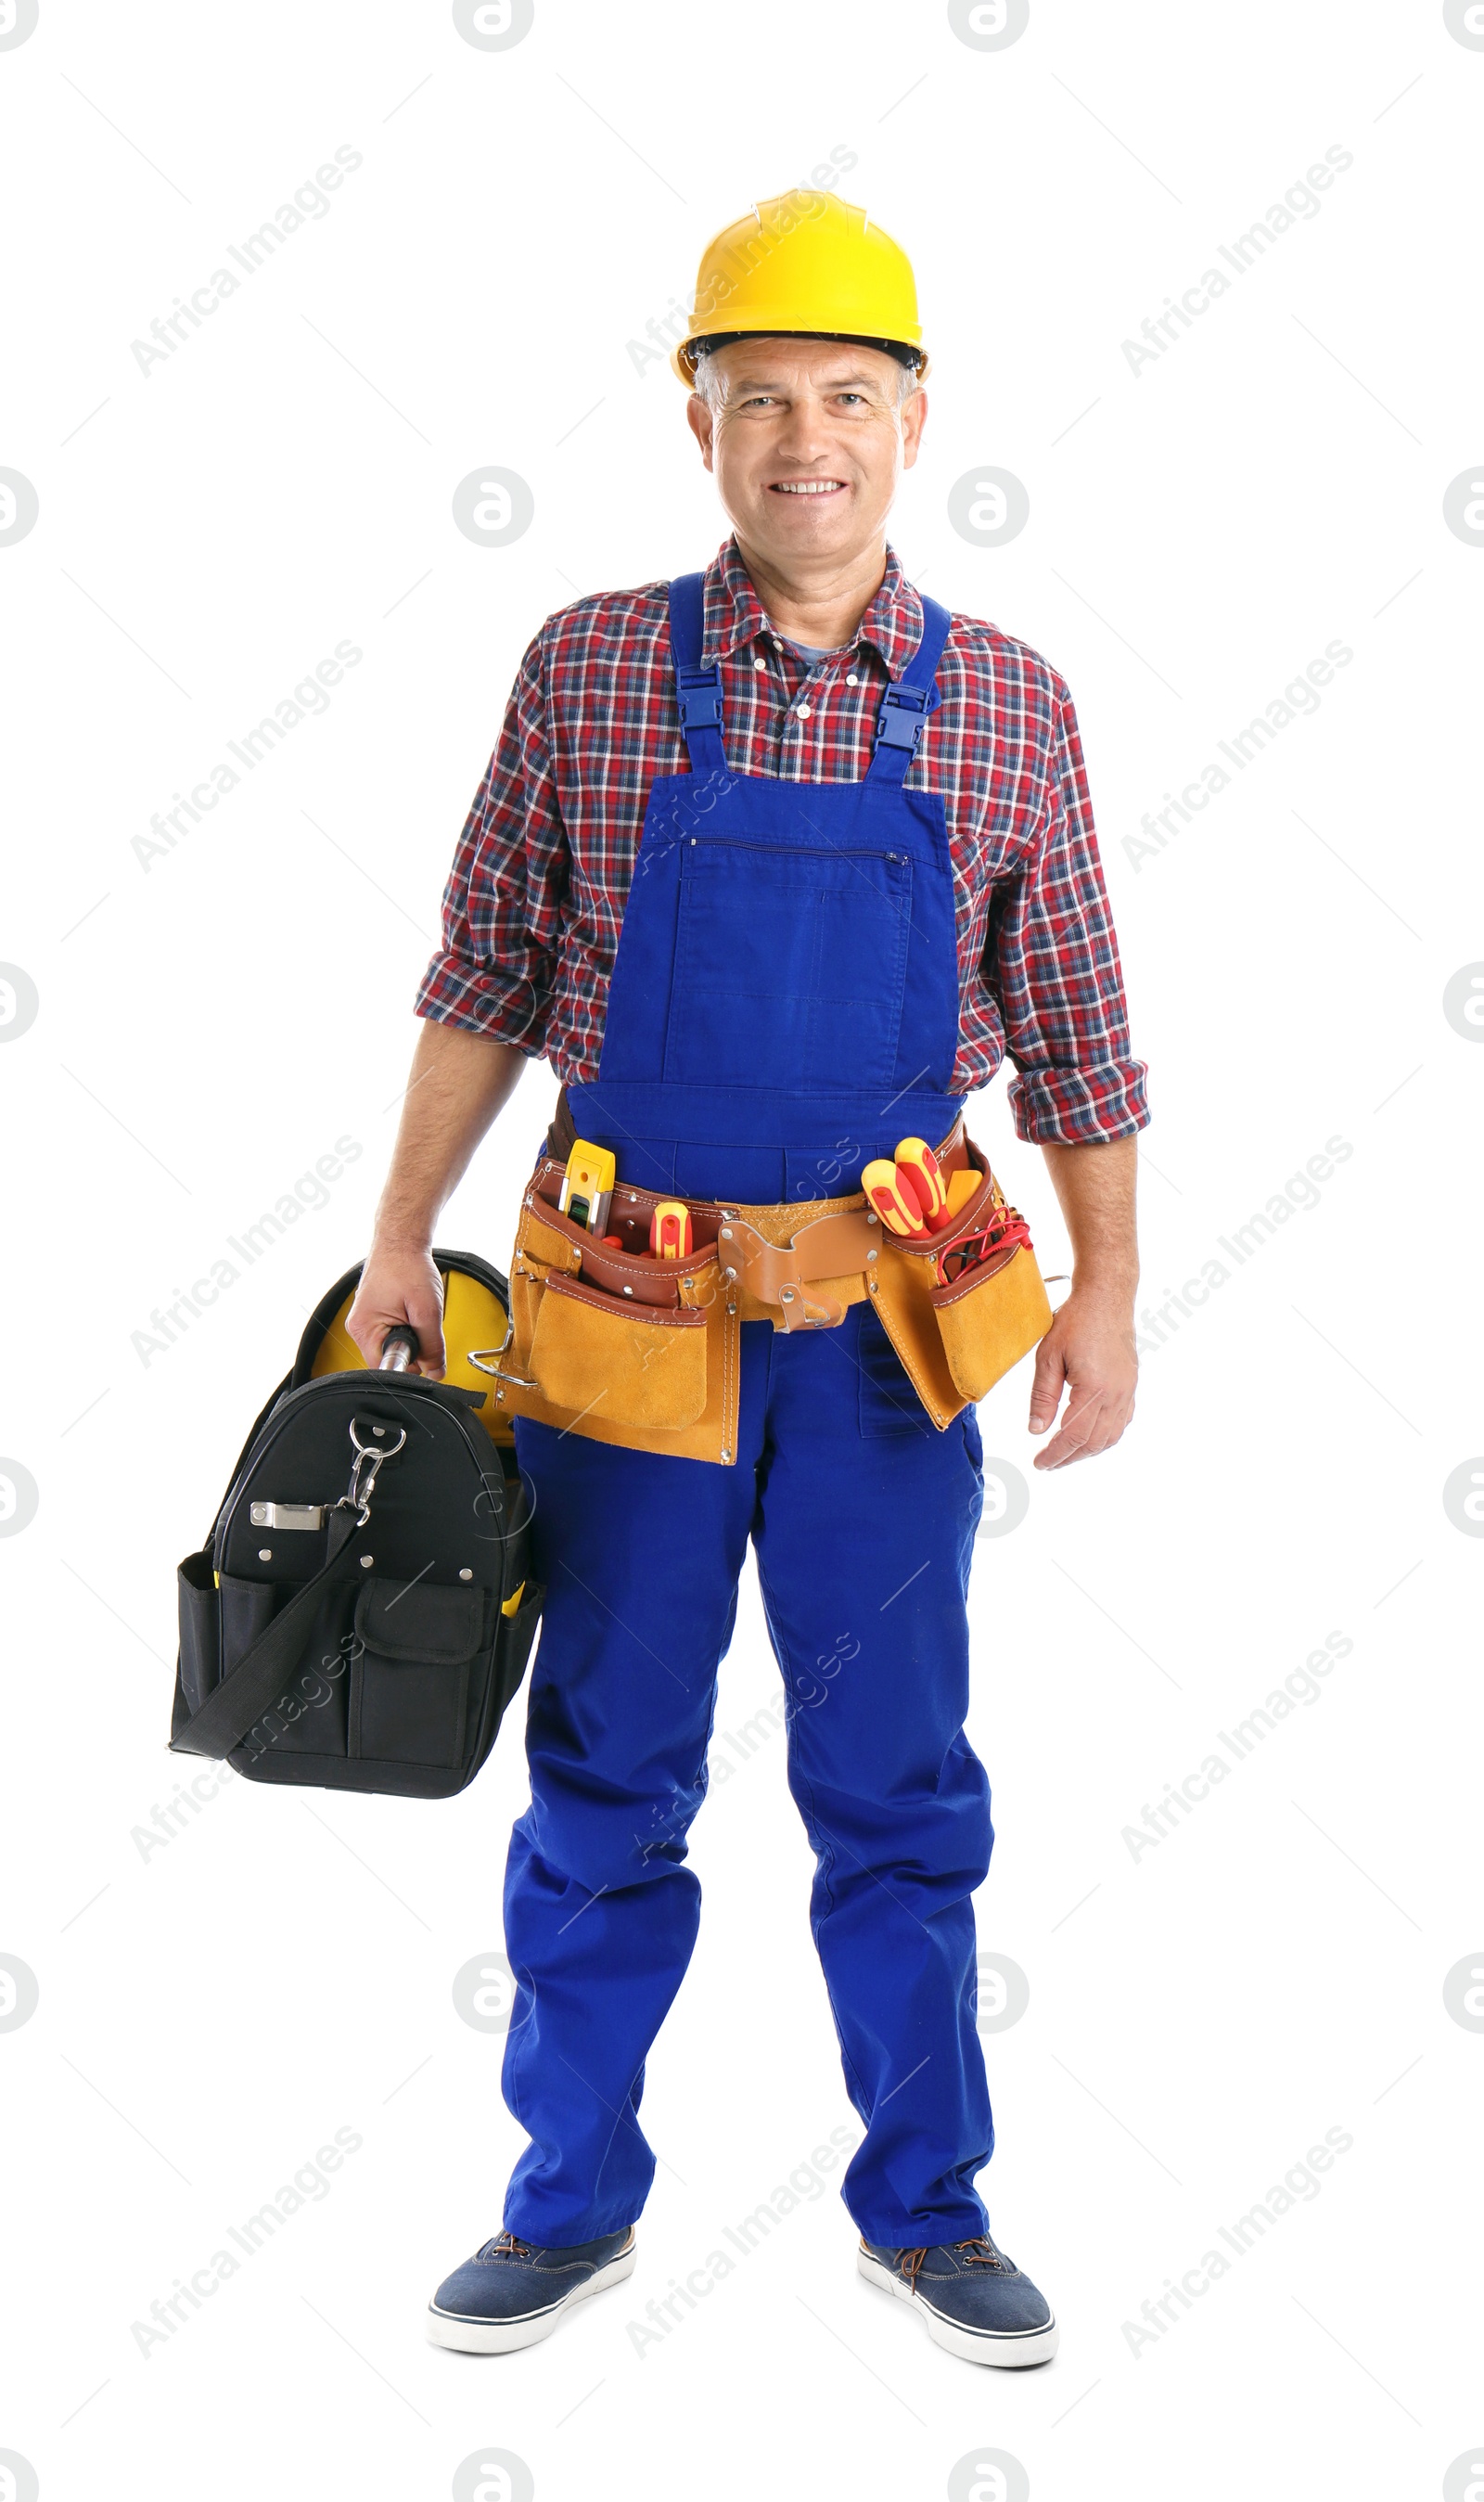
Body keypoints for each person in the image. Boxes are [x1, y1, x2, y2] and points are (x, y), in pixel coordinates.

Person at [347, 189, 1147, 2370]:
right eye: (760, 398)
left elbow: (1074, 1032)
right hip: (624, 1323)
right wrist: (396, 1234)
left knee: (897, 1779)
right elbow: (483, 974)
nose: (808, 439)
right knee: (607, 1769)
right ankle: (565, 2199)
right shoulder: (589, 665)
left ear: (915, 423)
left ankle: (928, 2206)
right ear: (694, 423)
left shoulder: (1008, 706)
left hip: (890, 1338)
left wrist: (1104, 1291)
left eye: (848, 400)